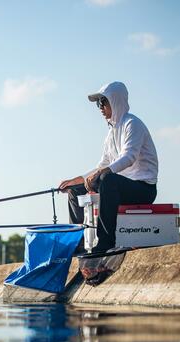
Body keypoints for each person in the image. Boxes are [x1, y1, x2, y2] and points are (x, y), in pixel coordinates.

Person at [59, 81, 158, 253]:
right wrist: (76, 181)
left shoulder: (132, 124)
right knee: (75, 190)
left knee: (107, 178)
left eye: (103, 102)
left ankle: (106, 242)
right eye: (98, 104)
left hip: (143, 189)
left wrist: (103, 172)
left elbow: (129, 157)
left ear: (115, 101)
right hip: (116, 186)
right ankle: (77, 244)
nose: (100, 107)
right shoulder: (111, 133)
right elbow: (102, 165)